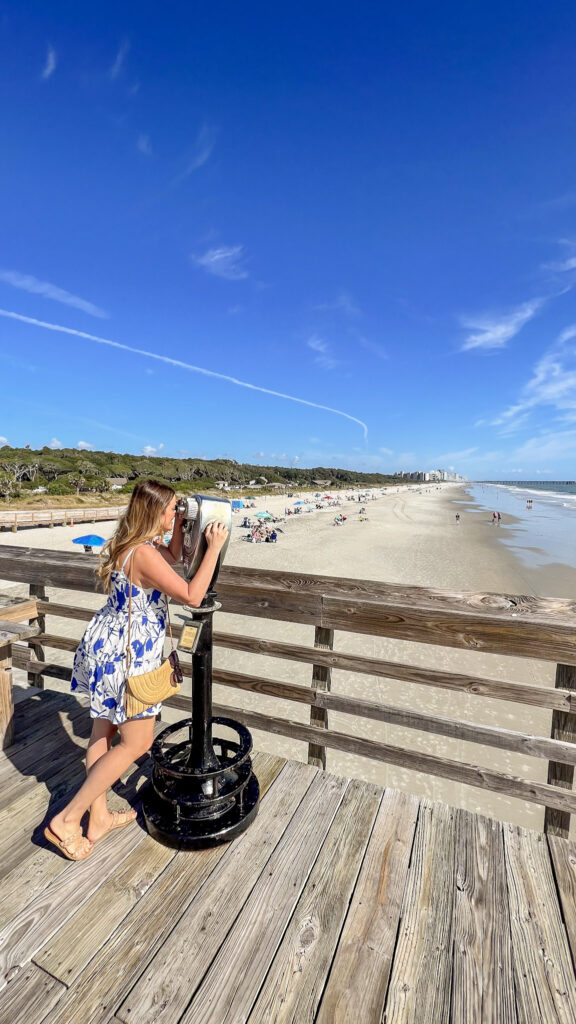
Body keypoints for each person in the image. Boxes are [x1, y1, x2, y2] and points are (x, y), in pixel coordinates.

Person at [44, 479, 228, 860]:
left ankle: (98, 818)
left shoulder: (132, 546)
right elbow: (193, 594)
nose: (175, 514)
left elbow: (174, 558)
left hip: (106, 648)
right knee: (137, 742)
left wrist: (179, 525)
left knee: (102, 733)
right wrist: (213, 547)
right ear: (152, 512)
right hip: (129, 660)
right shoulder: (143, 554)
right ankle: (67, 819)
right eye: (171, 509)